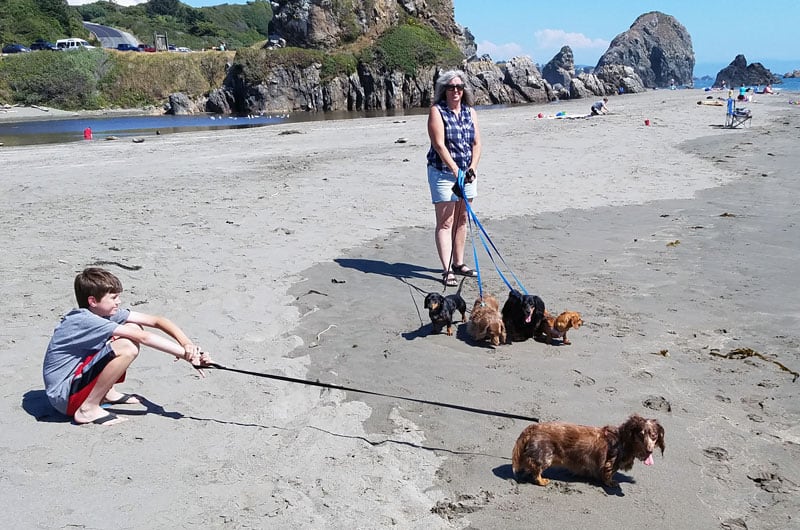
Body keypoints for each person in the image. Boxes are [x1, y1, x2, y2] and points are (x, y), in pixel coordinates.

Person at [42, 267, 213, 426]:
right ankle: (88, 408)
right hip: (64, 399)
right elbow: (144, 338)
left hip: (75, 384)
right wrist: (188, 357)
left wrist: (187, 345)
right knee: (126, 346)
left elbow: (158, 321)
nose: (119, 301)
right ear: (93, 301)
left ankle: (107, 393)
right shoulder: (83, 320)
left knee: (132, 327)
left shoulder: (104, 313)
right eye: (113, 297)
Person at [426, 69, 482, 287]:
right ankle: (447, 269)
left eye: (459, 87)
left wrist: (471, 168)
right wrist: (455, 170)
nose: (456, 91)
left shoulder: (470, 112)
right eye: (451, 87)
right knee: (446, 221)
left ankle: (459, 263)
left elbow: (476, 143)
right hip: (442, 173)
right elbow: (439, 145)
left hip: (466, 175)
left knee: (462, 219)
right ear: (444, 90)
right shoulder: (437, 111)